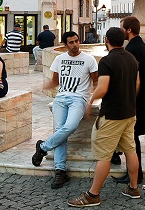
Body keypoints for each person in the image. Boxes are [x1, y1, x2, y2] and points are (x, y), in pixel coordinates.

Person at [66, 27, 140, 207]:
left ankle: (93, 195)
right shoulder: (132, 58)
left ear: (106, 39)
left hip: (112, 114)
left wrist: (90, 100)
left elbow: (103, 87)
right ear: (123, 40)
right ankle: (133, 188)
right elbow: (137, 84)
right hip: (129, 113)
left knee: (104, 155)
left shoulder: (107, 61)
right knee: (130, 150)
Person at [32, 31, 99, 189]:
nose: (75, 44)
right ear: (65, 45)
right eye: (71, 42)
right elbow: (55, 82)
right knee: (61, 130)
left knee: (70, 126)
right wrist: (39, 87)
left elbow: (96, 82)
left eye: (76, 41)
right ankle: (60, 170)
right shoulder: (59, 59)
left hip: (79, 98)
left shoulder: (89, 60)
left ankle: (43, 147)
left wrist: (91, 101)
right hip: (61, 98)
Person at [110, 16, 145, 190]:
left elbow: (132, 79)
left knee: (132, 141)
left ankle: (135, 176)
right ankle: (136, 173)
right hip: (143, 100)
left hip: (135, 102)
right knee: (132, 140)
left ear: (129, 30)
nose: (120, 30)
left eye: (122, 28)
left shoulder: (132, 49)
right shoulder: (142, 46)